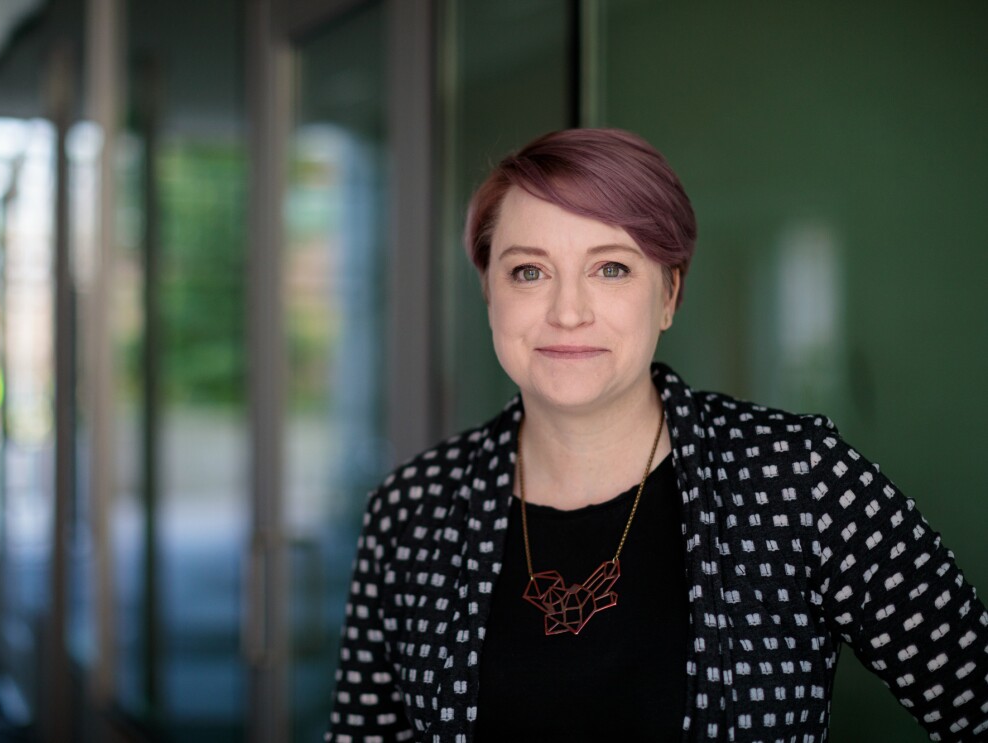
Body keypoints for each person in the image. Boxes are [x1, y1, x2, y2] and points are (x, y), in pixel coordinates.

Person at [325, 128, 988, 742]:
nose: (567, 310)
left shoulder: (801, 479)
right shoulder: (412, 508)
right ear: (489, 292)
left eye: (611, 267)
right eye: (528, 270)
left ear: (669, 293)